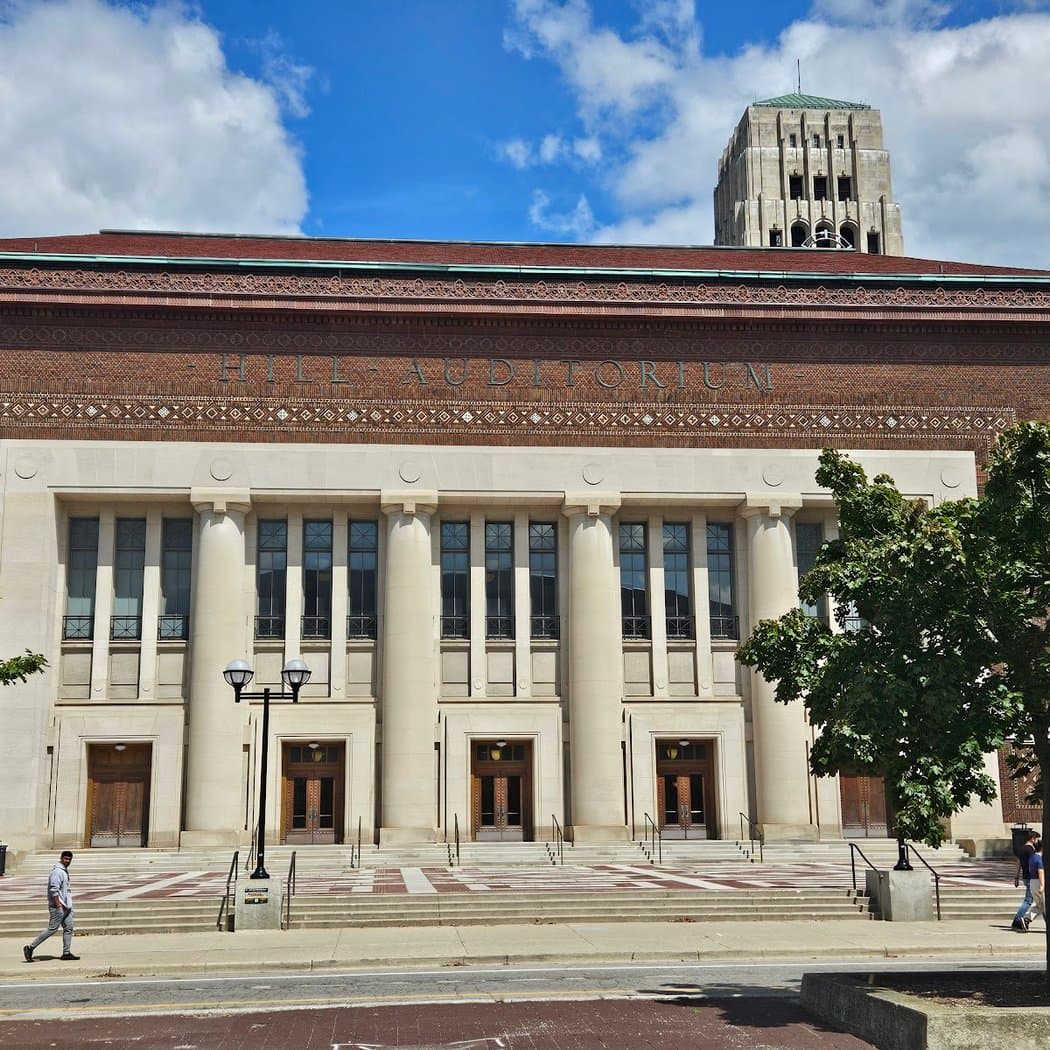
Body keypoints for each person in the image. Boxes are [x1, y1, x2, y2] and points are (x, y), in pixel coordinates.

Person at [23, 850, 79, 962]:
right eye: (65, 859)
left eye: (69, 859)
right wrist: (58, 905)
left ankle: (66, 953)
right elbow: (54, 890)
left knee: (69, 928)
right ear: (61, 858)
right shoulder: (57, 872)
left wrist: (67, 905)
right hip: (58, 907)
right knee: (52, 929)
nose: (67, 861)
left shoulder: (64, 871)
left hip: (66, 907)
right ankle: (30, 948)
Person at [1012, 829, 1039, 932]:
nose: (1037, 841)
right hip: (1032, 877)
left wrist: (1016, 877)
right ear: (1032, 839)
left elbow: (1018, 863)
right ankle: (1017, 920)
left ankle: (1019, 920)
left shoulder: (1021, 849)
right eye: (1036, 839)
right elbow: (1034, 863)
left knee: (1031, 900)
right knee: (1028, 900)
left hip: (1025, 877)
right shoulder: (1030, 850)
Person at [1028, 839, 1046, 930]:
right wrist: (1042, 886)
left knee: (1040, 906)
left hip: (1032, 882)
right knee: (1045, 906)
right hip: (1039, 882)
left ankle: (1027, 918)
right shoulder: (1040, 858)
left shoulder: (1032, 857)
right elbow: (1041, 871)